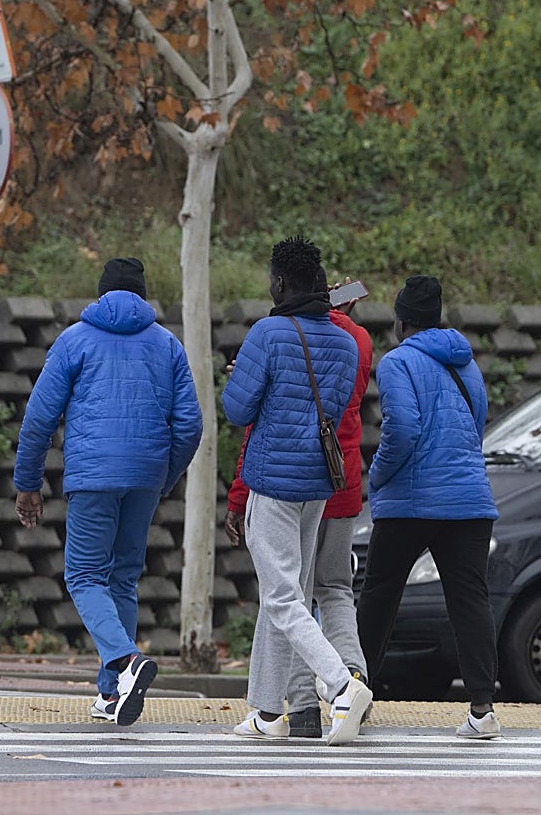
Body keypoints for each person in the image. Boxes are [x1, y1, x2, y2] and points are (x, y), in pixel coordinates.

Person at [13, 256, 203, 727]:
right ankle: (113, 693)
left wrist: (27, 483)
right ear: (142, 295)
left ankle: (123, 660)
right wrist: (164, 477)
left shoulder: (75, 340)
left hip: (93, 476)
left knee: (83, 576)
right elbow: (191, 425)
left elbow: (39, 418)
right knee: (122, 579)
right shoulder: (168, 345)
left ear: (101, 294)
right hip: (145, 476)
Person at [221, 236, 373, 746]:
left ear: (281, 282)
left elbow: (238, 410)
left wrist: (244, 377)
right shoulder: (346, 342)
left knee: (284, 597)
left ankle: (342, 687)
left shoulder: (268, 333)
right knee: (281, 594)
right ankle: (266, 712)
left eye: (272, 278)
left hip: (273, 483)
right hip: (318, 486)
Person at [356, 274, 502, 739]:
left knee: (379, 597)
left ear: (401, 322)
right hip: (469, 502)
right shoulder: (467, 364)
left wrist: (377, 474)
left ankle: (356, 697)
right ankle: (483, 710)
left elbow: (402, 428)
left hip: (411, 503)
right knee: (470, 602)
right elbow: (476, 425)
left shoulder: (397, 362)